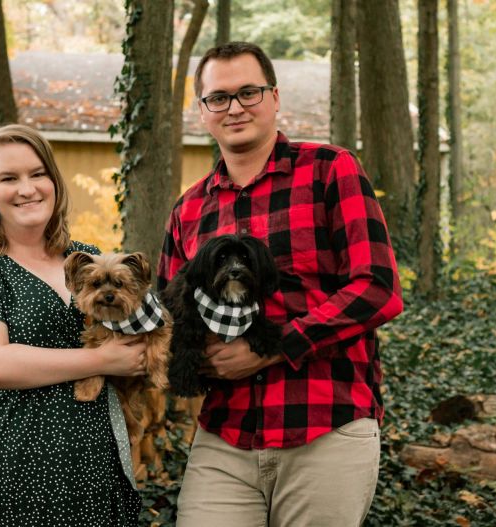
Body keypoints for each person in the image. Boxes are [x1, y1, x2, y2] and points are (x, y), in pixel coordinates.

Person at [157, 42, 404, 526]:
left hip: (324, 424)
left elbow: (377, 287)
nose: (235, 108)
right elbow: (172, 314)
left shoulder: (331, 170)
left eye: (248, 92)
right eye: (218, 97)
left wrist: (274, 347)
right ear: (203, 111)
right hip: (225, 435)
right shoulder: (188, 210)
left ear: (274, 97)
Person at [0, 124, 143, 526]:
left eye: (38, 174)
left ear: (54, 181)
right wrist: (104, 360)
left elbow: (138, 330)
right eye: (9, 178)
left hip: (90, 469)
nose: (27, 189)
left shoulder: (87, 259)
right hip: (6, 469)